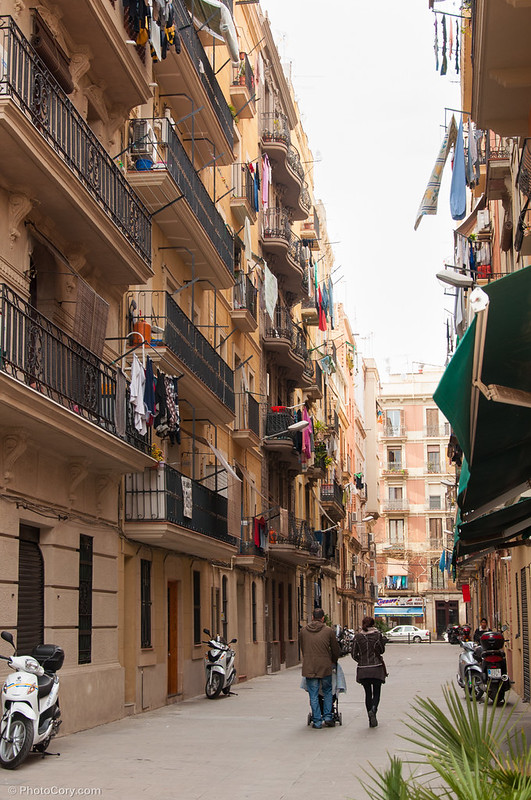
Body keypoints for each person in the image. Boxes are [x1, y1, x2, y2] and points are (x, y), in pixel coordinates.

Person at [299, 608, 341, 728]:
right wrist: (334, 661)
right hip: (325, 666)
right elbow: (335, 649)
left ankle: (317, 720)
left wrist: (307, 659)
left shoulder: (303, 631)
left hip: (309, 666)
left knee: (313, 693)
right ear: (323, 618)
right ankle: (328, 716)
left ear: (312, 617)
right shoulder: (328, 631)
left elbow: (303, 647)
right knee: (327, 691)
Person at [352, 616, 387, 728]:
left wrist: (361, 660)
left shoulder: (358, 637)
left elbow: (353, 654)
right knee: (376, 692)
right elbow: (381, 650)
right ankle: (374, 710)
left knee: (367, 693)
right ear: (373, 624)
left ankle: (369, 716)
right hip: (376, 668)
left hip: (363, 670)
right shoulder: (377, 635)